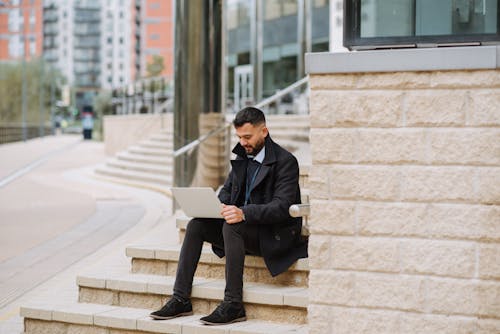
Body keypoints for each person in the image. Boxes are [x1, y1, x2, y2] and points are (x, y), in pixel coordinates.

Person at [150, 106, 308, 325]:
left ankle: (233, 304)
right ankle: (180, 298)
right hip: (244, 229)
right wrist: (216, 207)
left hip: (273, 234)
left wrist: (243, 213)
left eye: (247, 137)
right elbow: (226, 192)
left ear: (264, 131)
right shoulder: (243, 156)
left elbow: (281, 207)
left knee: (232, 226)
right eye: (239, 137)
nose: (243, 142)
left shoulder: (285, 161)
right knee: (197, 225)